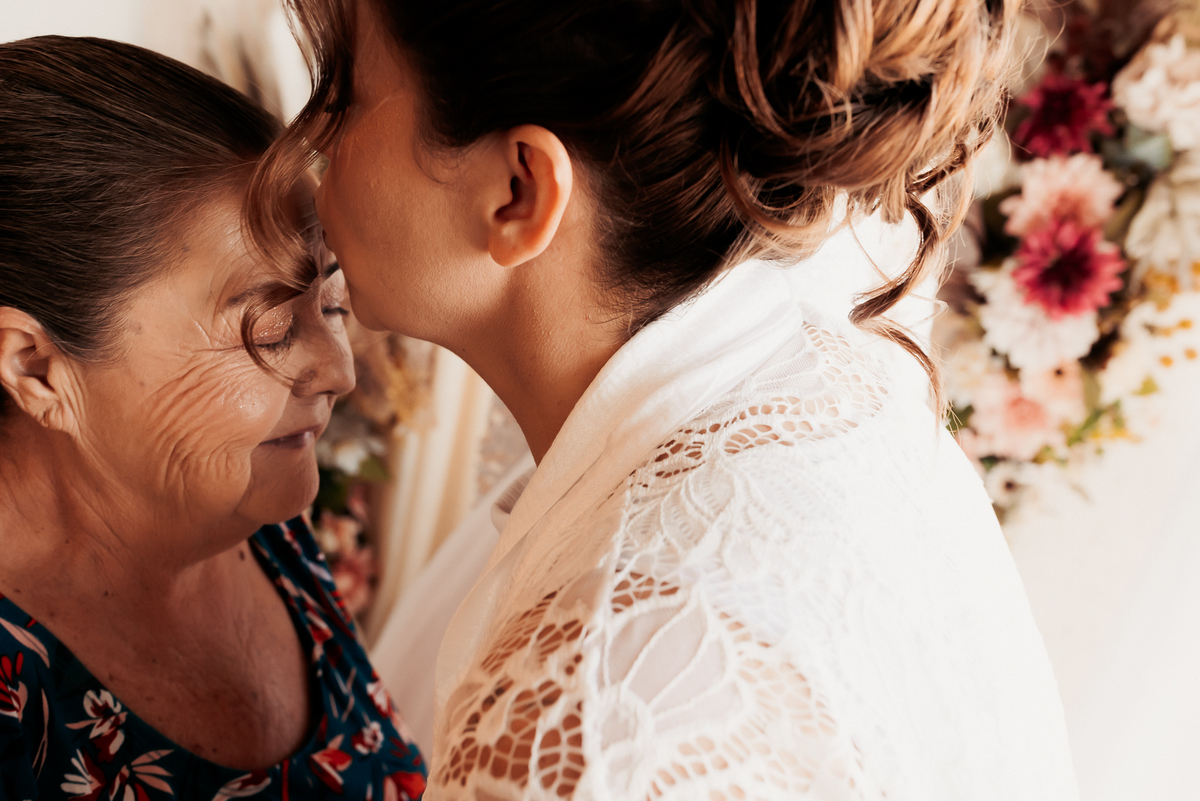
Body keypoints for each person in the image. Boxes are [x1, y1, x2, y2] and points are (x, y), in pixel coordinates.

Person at [258, 0, 1080, 797]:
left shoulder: (592, 717)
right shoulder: (844, 383)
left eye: (347, 92)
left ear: (518, 191)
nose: (309, 138)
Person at [0, 36, 426, 799]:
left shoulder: (256, 519)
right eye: (271, 328)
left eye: (331, 302)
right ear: (34, 368)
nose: (339, 370)